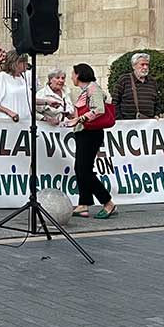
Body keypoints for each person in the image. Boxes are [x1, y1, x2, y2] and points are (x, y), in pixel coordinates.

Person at [62, 64, 117, 219]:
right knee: (80, 168)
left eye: (73, 74)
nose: (72, 77)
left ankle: (107, 202)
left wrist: (79, 119)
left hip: (90, 133)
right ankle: (83, 204)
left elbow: (99, 109)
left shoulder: (93, 89)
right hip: (84, 132)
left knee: (84, 170)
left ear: (79, 75)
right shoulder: (86, 91)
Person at [0, 51, 33, 122]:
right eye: (23, 62)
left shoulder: (23, 78)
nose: (26, 64)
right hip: (7, 121)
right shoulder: (2, 77)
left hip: (24, 121)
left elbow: (28, 99)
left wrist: (47, 102)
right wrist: (10, 112)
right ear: (15, 63)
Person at [112, 52, 158, 120]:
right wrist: (120, 119)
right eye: (142, 64)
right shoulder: (124, 80)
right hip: (127, 124)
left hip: (149, 124)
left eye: (147, 65)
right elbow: (115, 102)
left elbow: (157, 102)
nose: (145, 67)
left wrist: (156, 114)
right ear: (134, 66)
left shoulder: (152, 82)